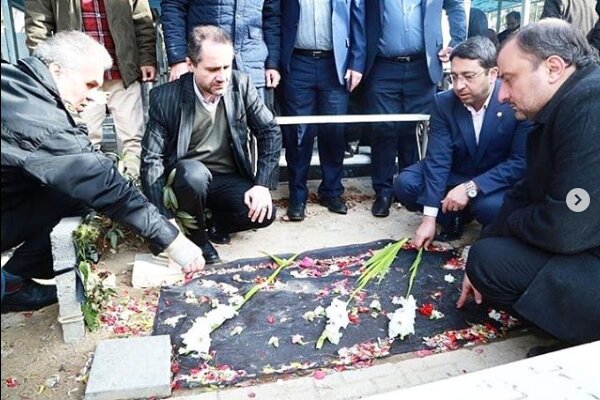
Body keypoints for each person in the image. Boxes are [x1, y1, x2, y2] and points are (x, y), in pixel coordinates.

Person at [1, 31, 205, 313]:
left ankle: (10, 282)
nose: (93, 98)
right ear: (56, 71)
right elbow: (104, 184)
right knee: (91, 192)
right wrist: (173, 241)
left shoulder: (19, 84)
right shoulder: (38, 118)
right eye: (89, 84)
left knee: (75, 196)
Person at [457, 19, 600, 346]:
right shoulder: (564, 103)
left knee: (490, 263)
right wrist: (486, 239)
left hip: (585, 242)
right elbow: (526, 190)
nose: (503, 95)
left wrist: (519, 222)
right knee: (486, 251)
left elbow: (566, 227)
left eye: (509, 79)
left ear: (552, 68)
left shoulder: (590, 105)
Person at [140, 25, 282, 265]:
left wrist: (262, 185)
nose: (223, 76)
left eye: (227, 66)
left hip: (226, 177)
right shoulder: (165, 97)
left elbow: (270, 131)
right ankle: (198, 240)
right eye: (213, 69)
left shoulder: (240, 85)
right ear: (191, 64)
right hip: (187, 181)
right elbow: (151, 159)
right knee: (193, 174)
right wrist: (163, 221)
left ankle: (213, 224)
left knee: (264, 214)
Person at [395, 36, 532, 246]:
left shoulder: (514, 100)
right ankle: (451, 218)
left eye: (468, 76)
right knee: (406, 184)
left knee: (489, 207)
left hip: (494, 180)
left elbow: (520, 162)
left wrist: (471, 187)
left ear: (493, 74)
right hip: (456, 171)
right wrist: (429, 219)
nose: (459, 86)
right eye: (454, 77)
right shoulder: (443, 102)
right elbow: (438, 159)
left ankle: (488, 224)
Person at [24, 0, 158, 177]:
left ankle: (135, 184)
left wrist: (147, 58)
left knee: (134, 138)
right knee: (84, 138)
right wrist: (44, 67)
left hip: (124, 69)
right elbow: (37, 25)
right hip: (78, 74)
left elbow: (142, 20)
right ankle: (92, 189)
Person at [364, 0, 467, 218]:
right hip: (382, 65)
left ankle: (407, 189)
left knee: (415, 131)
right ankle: (383, 192)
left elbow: (456, 5)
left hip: (423, 66)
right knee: (384, 129)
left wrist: (457, 43)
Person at [279, 0, 366, 221]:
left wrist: (356, 63)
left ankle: (332, 191)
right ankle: (297, 195)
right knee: (298, 133)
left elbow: (358, 18)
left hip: (335, 63)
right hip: (297, 62)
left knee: (334, 131)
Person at [161, 0, 281, 107]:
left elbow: (272, 17)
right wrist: (178, 60)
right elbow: (173, 6)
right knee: (202, 129)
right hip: (206, 69)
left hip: (253, 68)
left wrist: (272, 64)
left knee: (258, 128)